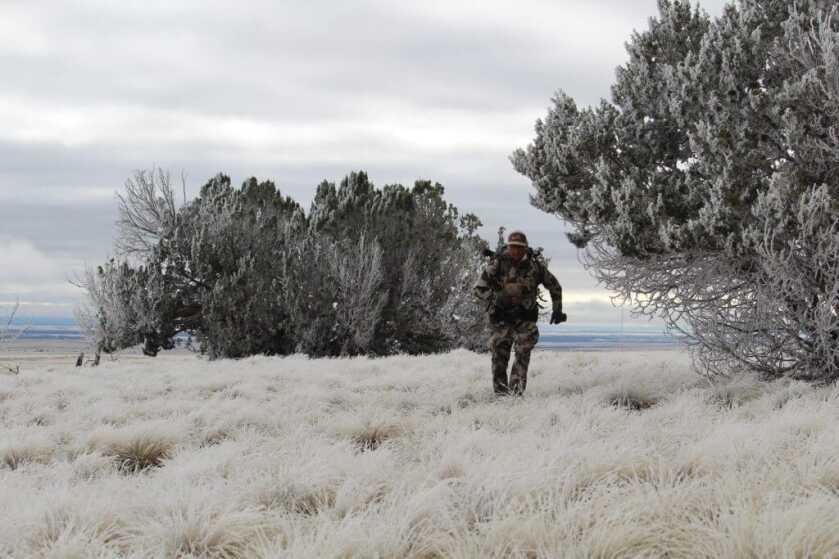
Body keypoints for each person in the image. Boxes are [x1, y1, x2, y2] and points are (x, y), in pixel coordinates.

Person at [473, 230, 566, 396]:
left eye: (518, 247)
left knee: (523, 354)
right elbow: (479, 289)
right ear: (508, 247)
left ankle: (516, 396)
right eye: (512, 247)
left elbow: (555, 286)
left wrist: (557, 310)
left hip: (525, 318)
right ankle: (501, 397)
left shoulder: (535, 267)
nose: (514, 251)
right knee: (499, 356)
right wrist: (496, 299)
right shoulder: (498, 264)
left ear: (525, 248)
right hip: (501, 318)